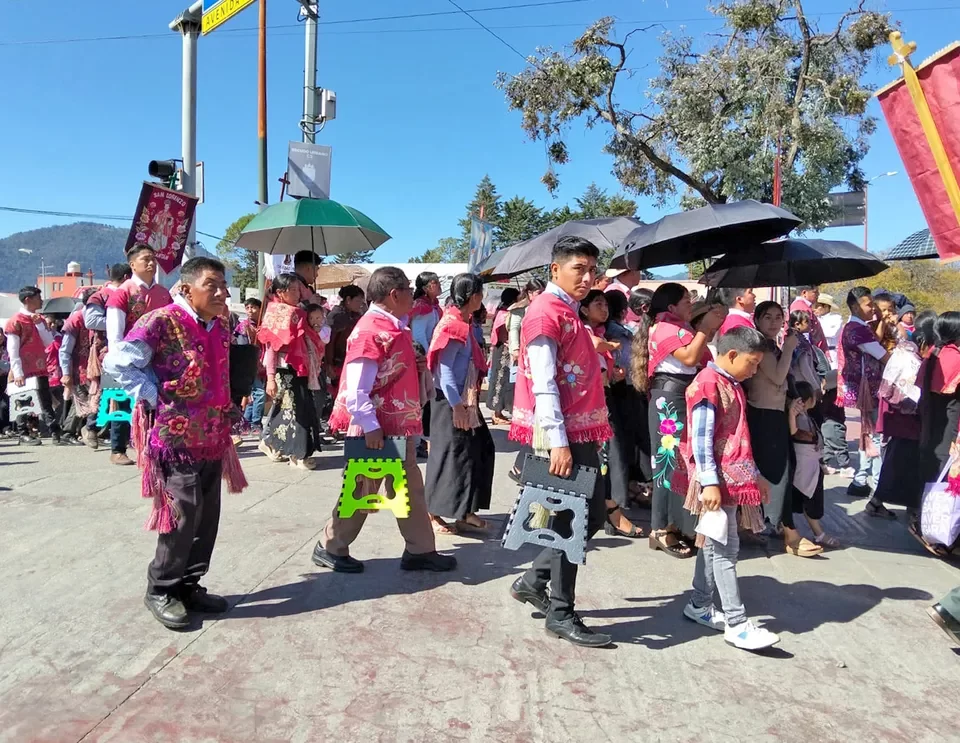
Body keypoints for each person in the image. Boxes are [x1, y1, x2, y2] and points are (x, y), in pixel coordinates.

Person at [103, 257, 247, 630]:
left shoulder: (222, 323)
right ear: (186, 289)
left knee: (207, 517)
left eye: (223, 285)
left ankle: (189, 584)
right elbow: (117, 362)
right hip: (175, 438)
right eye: (212, 285)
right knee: (182, 516)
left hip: (213, 436)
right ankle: (161, 589)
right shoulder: (160, 320)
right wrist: (153, 395)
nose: (222, 293)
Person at [313, 266, 457, 574]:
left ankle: (420, 549)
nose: (413, 295)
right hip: (377, 429)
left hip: (394, 428)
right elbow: (356, 389)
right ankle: (331, 546)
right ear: (395, 294)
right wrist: (370, 427)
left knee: (407, 489)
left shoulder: (393, 326)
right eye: (408, 289)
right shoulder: (370, 331)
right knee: (363, 490)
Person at [507, 236, 613, 647]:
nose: (587, 278)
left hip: (580, 431)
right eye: (578, 269)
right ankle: (561, 612)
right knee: (570, 523)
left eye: (591, 270)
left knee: (592, 519)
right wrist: (558, 442)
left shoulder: (568, 311)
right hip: (563, 434)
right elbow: (544, 382)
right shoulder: (545, 314)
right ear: (556, 270)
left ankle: (532, 581)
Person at [671, 325, 780, 650]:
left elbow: (737, 435)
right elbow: (702, 438)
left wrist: (755, 473)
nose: (755, 369)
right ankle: (736, 623)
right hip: (717, 482)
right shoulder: (709, 384)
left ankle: (700, 604)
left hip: (728, 480)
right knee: (725, 551)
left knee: (715, 546)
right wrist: (709, 482)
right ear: (731, 354)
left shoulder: (727, 382)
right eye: (753, 362)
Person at [631, 283, 724, 558]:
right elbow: (691, 356)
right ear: (671, 306)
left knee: (681, 462)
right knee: (667, 463)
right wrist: (705, 329)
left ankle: (676, 523)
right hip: (669, 399)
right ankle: (660, 527)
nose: (690, 304)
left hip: (681, 396)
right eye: (685, 300)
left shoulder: (679, 327)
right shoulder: (664, 328)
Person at [747, 301, 823, 556]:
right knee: (778, 473)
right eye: (767, 317)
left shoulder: (773, 345)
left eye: (778, 317)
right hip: (763, 416)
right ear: (757, 320)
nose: (773, 322)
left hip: (777, 414)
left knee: (783, 471)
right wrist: (789, 349)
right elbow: (777, 376)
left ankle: (777, 524)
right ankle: (788, 531)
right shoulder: (759, 345)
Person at [424, 273, 495, 535]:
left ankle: (465, 510)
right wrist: (457, 407)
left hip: (463, 400)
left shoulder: (461, 321)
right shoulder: (454, 326)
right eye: (481, 293)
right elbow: (444, 372)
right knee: (448, 456)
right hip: (450, 402)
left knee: (476, 452)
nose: (482, 298)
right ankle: (431, 511)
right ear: (474, 296)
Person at [580, 290, 642, 538]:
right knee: (607, 455)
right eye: (598, 303)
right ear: (584, 309)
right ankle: (610, 508)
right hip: (590, 403)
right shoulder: (584, 331)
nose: (604, 308)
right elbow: (594, 347)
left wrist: (613, 372)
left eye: (606, 304)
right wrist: (613, 345)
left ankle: (606, 507)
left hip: (602, 398)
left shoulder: (600, 332)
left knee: (609, 455)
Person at [106, 245, 173, 465]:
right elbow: (115, 332)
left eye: (153, 259)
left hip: (158, 356)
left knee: (156, 402)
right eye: (146, 259)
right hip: (129, 357)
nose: (152, 263)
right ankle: (118, 449)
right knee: (124, 404)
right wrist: (119, 356)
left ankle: (152, 446)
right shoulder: (123, 292)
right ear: (132, 264)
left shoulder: (163, 293)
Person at [873, 311, 937, 532]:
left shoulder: (910, 352)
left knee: (900, 460)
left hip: (905, 415)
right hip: (904, 414)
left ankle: (884, 501)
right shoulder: (908, 356)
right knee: (902, 460)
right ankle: (907, 505)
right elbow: (901, 388)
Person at [257, 274, 324, 470]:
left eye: (298, 289)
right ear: (280, 292)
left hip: (302, 366)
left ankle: (272, 442)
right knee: (297, 409)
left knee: (294, 409)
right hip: (285, 369)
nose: (297, 293)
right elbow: (271, 348)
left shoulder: (299, 311)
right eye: (292, 290)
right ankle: (297, 454)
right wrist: (270, 378)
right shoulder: (276, 313)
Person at [838, 287, 889, 500]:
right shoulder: (857, 329)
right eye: (869, 304)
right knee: (875, 435)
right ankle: (877, 486)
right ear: (855, 306)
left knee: (868, 433)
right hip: (868, 388)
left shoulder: (857, 327)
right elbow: (882, 355)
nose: (873, 309)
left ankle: (861, 480)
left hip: (865, 387)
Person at [916, 311, 960, 555]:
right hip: (948, 425)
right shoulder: (952, 356)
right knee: (943, 478)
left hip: (933, 423)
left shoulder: (935, 353)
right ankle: (936, 532)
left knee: (933, 474)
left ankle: (930, 525)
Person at [605, 290, 652, 504]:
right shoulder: (618, 332)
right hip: (623, 388)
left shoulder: (610, 330)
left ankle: (629, 488)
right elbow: (624, 360)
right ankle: (630, 489)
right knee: (627, 440)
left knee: (625, 442)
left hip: (620, 388)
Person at [4, 286, 63, 446]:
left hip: (39, 366)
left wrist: (39, 325)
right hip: (23, 367)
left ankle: (54, 431)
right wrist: (17, 372)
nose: (41, 300)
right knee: (22, 401)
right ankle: (22, 432)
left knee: (45, 401)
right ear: (28, 300)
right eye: (38, 297)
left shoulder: (39, 319)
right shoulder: (15, 321)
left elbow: (48, 342)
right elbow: (12, 349)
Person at [788, 381, 840, 549]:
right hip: (804, 464)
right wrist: (791, 415)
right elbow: (793, 432)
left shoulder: (806, 416)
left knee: (806, 499)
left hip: (810, 463)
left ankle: (817, 533)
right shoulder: (798, 417)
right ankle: (819, 534)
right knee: (808, 500)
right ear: (807, 399)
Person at [59, 288, 102, 446]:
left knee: (90, 401)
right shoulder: (76, 320)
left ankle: (80, 431)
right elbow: (65, 350)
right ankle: (71, 432)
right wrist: (66, 373)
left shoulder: (100, 319)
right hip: (79, 368)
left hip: (95, 367)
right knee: (84, 402)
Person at [411, 272, 443, 458]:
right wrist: (428, 357)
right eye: (434, 282)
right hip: (422, 359)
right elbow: (419, 334)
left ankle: (422, 439)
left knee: (426, 398)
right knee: (422, 398)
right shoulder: (421, 307)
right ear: (425, 287)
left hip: (428, 357)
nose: (438, 285)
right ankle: (419, 440)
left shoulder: (431, 306)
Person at [487, 287, 520, 425]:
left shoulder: (505, 312)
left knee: (505, 380)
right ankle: (496, 413)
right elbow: (501, 334)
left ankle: (500, 411)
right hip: (503, 351)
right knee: (499, 380)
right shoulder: (504, 314)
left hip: (505, 351)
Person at [325, 284, 366, 390]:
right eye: (358, 301)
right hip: (337, 363)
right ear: (348, 299)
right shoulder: (337, 317)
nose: (361, 304)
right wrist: (329, 364)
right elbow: (329, 342)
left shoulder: (353, 315)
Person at [236, 297, 266, 434]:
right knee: (259, 393)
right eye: (247, 308)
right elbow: (243, 347)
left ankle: (245, 422)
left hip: (262, 363)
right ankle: (256, 423)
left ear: (260, 309)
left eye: (253, 307)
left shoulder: (263, 325)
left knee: (252, 394)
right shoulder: (244, 327)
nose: (250, 311)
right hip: (249, 363)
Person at [791, 285, 828, 353]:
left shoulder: (804, 307)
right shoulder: (801, 308)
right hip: (806, 353)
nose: (818, 294)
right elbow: (806, 334)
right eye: (815, 292)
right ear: (804, 293)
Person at [814, 293, 843, 368]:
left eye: (817, 306)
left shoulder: (836, 318)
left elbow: (833, 333)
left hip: (832, 352)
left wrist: (818, 331)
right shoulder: (815, 319)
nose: (815, 309)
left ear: (826, 306)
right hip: (818, 351)